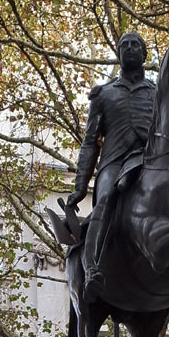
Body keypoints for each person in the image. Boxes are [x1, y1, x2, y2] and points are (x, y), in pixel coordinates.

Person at [66, 32, 156, 302]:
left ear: (144, 55)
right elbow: (90, 142)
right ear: (119, 54)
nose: (129, 49)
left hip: (149, 162)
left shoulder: (158, 93)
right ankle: (92, 269)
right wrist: (80, 187)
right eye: (124, 45)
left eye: (135, 45)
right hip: (114, 164)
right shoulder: (103, 94)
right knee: (104, 199)